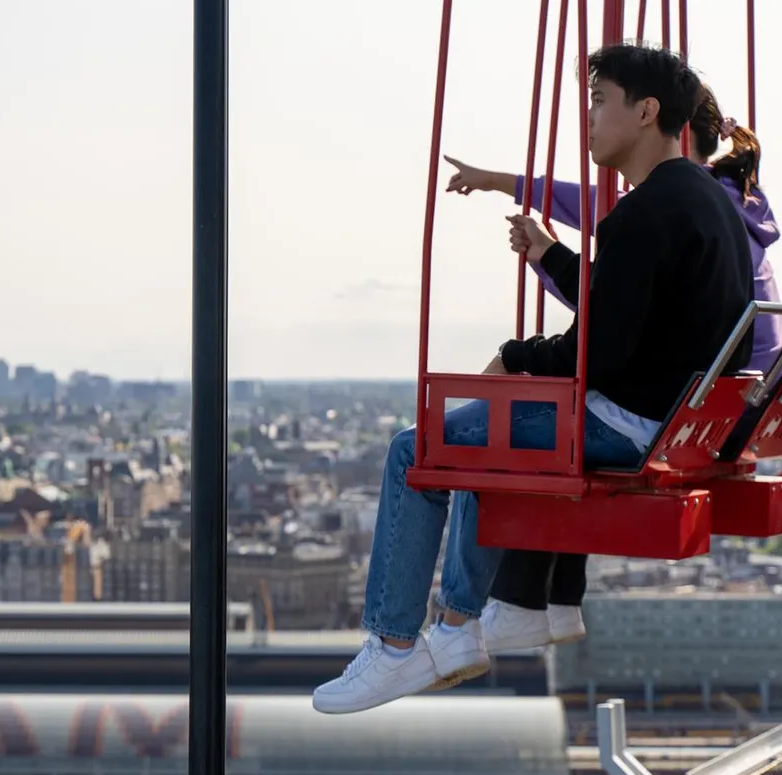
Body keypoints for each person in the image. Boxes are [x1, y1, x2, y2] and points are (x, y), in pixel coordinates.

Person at [312, 43, 753, 715]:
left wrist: (515, 354)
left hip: (629, 424)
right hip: (676, 424)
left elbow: (596, 351)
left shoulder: (642, 214)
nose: (589, 118)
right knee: (488, 433)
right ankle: (481, 616)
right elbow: (628, 308)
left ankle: (396, 644)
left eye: (599, 101)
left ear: (646, 111)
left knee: (419, 449)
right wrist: (551, 258)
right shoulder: (705, 201)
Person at [438, 84, 782, 654]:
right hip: (740, 407)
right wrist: (546, 248)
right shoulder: (733, 205)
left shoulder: (680, 205)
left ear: (666, 127)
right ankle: (549, 600)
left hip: (696, 413)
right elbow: (624, 300)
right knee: (587, 410)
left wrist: (504, 188)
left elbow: (615, 302)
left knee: (542, 427)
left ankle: (511, 604)